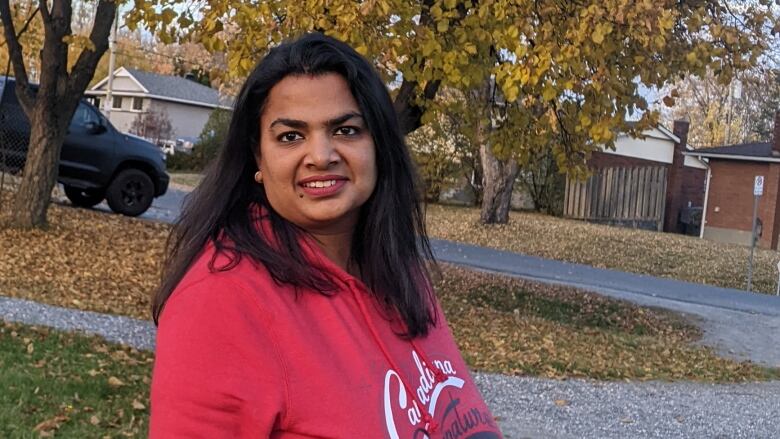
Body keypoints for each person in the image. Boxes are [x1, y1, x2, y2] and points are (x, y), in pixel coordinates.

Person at [149, 33, 503, 438]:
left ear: (379, 146)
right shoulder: (220, 303)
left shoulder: (399, 271)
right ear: (258, 158)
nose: (321, 155)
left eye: (346, 130)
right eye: (290, 136)